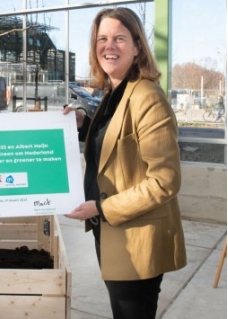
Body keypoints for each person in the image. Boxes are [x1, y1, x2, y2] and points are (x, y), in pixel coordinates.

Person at [63, 8, 187, 319]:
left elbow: (164, 181)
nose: (109, 46)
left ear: (137, 46)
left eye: (119, 38)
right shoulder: (116, 92)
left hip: (136, 238)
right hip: (110, 232)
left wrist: (101, 209)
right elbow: (116, 140)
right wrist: (82, 123)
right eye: (102, 39)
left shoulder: (148, 97)